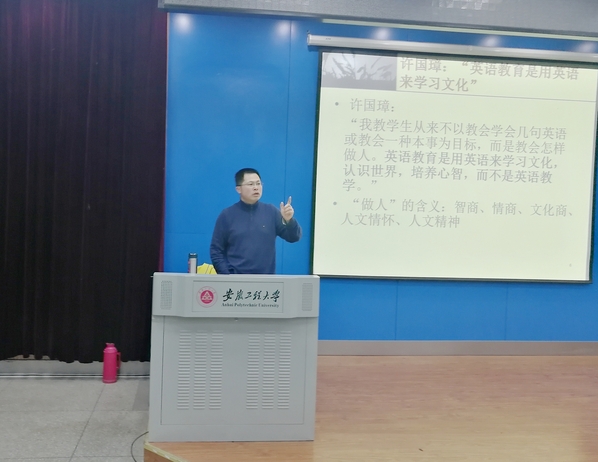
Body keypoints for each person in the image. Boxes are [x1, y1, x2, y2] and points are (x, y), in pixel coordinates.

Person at [210, 168, 302, 274]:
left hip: (265, 280)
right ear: (238, 189)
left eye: (258, 183)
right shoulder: (227, 215)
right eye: (250, 184)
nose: (256, 188)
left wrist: (289, 220)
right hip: (235, 280)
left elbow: (294, 237)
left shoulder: (271, 212)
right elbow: (216, 250)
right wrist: (227, 276)